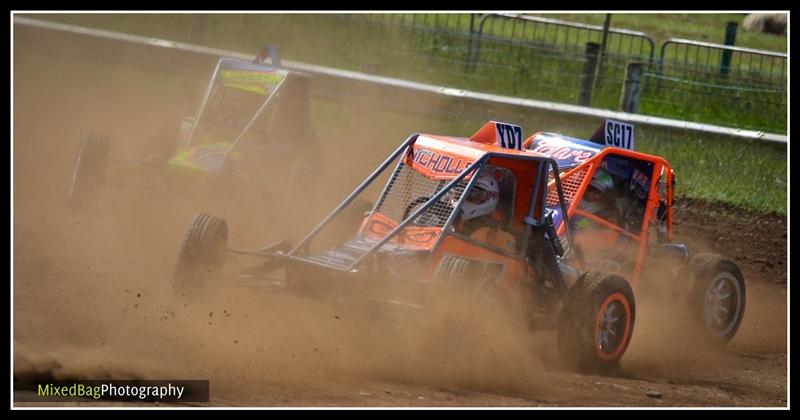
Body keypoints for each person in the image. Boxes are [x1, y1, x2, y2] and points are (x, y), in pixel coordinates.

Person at [453, 172, 517, 253]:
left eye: (474, 195)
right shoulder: (450, 217)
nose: (465, 200)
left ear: (490, 198)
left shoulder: (497, 234)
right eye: (461, 193)